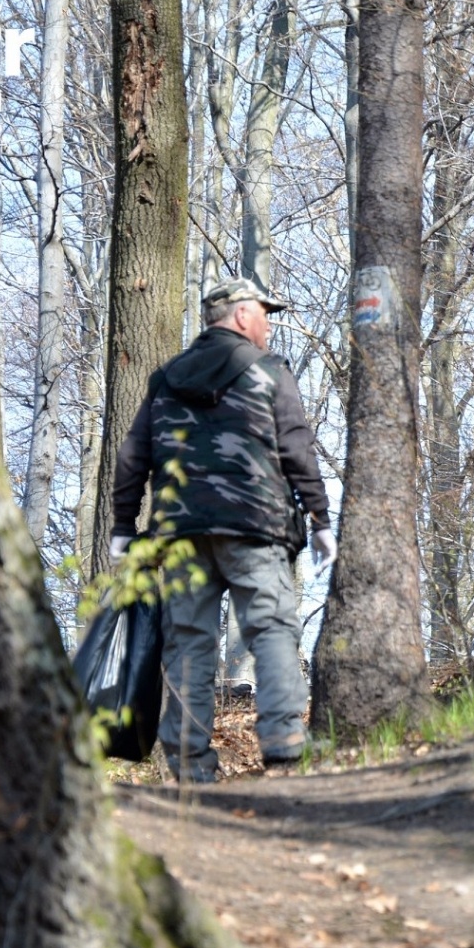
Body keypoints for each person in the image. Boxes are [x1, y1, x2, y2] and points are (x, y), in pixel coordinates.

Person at [110, 278, 337, 783]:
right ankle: (284, 746)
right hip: (256, 525)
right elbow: (296, 449)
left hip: (180, 534)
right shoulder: (269, 372)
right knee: (272, 629)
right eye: (264, 312)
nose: (269, 322)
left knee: (187, 646)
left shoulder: (166, 377)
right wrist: (320, 518)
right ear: (238, 316)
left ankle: (190, 769)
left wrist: (123, 528)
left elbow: (132, 458)